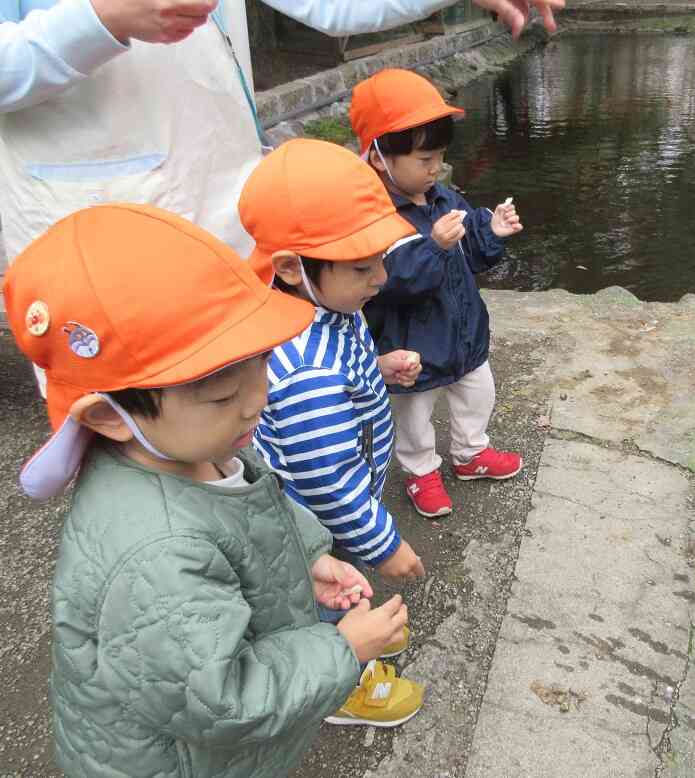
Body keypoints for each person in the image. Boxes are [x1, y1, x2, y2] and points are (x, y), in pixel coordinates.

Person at [2, 203, 423, 777]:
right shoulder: (157, 553)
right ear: (107, 415)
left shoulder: (193, 445)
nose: (260, 398)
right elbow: (220, 699)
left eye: (262, 364)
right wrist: (341, 650)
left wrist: (308, 558)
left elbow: (252, 504)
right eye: (223, 394)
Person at [0, 0, 563, 262]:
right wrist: (102, 18)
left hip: (230, 211)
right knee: (132, 429)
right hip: (95, 228)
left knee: (233, 414)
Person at [240, 138, 427, 583]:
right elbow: (329, 480)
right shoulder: (307, 373)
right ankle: (345, 649)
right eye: (362, 268)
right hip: (322, 523)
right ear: (290, 267)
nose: (381, 278)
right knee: (335, 592)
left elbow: (337, 375)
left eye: (380, 259)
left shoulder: (323, 305)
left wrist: (374, 370)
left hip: (342, 495)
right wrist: (385, 546)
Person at [349, 68, 523, 518]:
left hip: (462, 330)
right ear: (379, 158)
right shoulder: (373, 215)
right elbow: (393, 280)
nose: (435, 169)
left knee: (477, 390)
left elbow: (474, 256)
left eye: (440, 157)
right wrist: (435, 247)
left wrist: (493, 233)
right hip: (411, 341)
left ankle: (470, 453)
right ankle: (419, 470)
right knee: (412, 412)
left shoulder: (444, 198)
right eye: (424, 159)